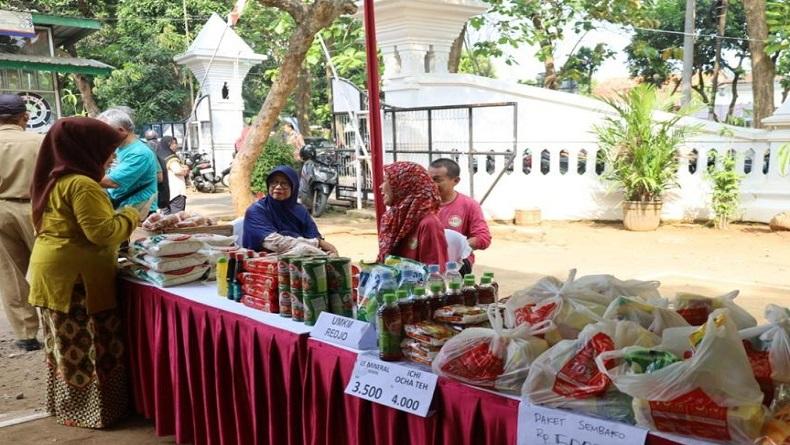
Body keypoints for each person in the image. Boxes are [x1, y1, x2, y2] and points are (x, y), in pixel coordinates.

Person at [27, 117, 150, 428]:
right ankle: (93, 413)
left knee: (65, 348)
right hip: (76, 279)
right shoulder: (81, 185)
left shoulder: (57, 177)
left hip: (55, 271)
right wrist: (133, 214)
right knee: (87, 346)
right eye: (108, 149)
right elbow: (102, 233)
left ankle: (70, 408)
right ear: (86, 149)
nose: (113, 156)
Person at [0, 94, 43, 351]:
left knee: (11, 273)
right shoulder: (38, 141)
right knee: (49, 268)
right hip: (36, 208)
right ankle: (57, 324)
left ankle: (26, 335)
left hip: (1, 209)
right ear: (23, 117)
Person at [242, 165, 337, 256]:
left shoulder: (300, 211)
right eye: (274, 182)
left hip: (301, 257)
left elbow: (314, 236)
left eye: (284, 183)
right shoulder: (256, 211)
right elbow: (275, 242)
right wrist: (315, 244)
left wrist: (327, 251)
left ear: (293, 187)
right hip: (264, 259)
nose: (278, 187)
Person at [378, 161, 448, 268]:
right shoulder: (391, 219)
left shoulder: (428, 224)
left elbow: (434, 272)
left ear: (403, 186)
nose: (381, 187)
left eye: (385, 181)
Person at [429, 158, 491, 274]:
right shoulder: (420, 205)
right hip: (427, 262)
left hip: (456, 264)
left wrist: (457, 246)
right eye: (429, 179)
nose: (432, 184)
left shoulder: (469, 205)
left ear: (456, 180)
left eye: (437, 180)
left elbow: (483, 238)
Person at [97, 108, 158, 213]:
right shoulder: (117, 148)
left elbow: (111, 182)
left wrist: (79, 177)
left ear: (121, 130)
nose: (101, 135)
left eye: (104, 131)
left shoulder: (139, 153)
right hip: (122, 209)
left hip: (138, 213)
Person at [157, 136, 188, 214]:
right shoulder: (170, 157)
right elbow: (178, 170)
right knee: (176, 217)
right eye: (173, 143)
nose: (175, 146)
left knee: (166, 218)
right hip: (176, 192)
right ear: (168, 144)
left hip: (163, 193)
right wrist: (186, 169)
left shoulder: (158, 156)